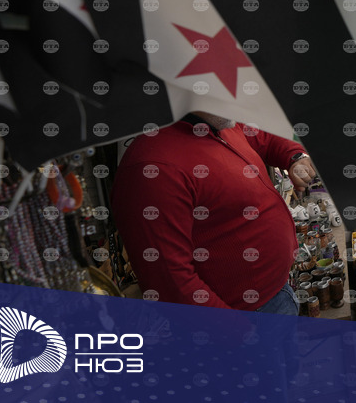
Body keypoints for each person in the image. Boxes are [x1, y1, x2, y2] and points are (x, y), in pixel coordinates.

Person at [111, 111, 319, 314]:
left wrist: (295, 157)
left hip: (277, 294)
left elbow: (263, 136)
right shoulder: (152, 169)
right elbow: (171, 284)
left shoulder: (220, 121)